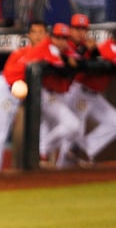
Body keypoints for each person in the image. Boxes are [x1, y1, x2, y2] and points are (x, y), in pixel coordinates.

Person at [0, 20, 49, 174]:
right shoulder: (21, 52)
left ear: (46, 35)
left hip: (17, 93)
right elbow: (10, 75)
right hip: (3, 88)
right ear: (29, 35)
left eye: (41, 32)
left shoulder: (46, 53)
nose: (38, 36)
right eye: (34, 32)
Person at [21, 23, 81, 169]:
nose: (61, 41)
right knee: (73, 125)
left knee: (49, 128)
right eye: (58, 37)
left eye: (64, 38)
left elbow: (77, 58)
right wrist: (69, 62)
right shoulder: (48, 47)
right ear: (51, 37)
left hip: (53, 94)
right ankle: (41, 150)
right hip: (42, 93)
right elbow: (63, 69)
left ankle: (42, 159)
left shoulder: (64, 49)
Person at [64, 14, 116, 166]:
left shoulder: (96, 46)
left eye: (83, 29)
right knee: (74, 132)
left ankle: (84, 149)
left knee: (113, 122)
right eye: (77, 28)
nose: (81, 32)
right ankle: (60, 172)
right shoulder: (108, 45)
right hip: (81, 92)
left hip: (94, 96)